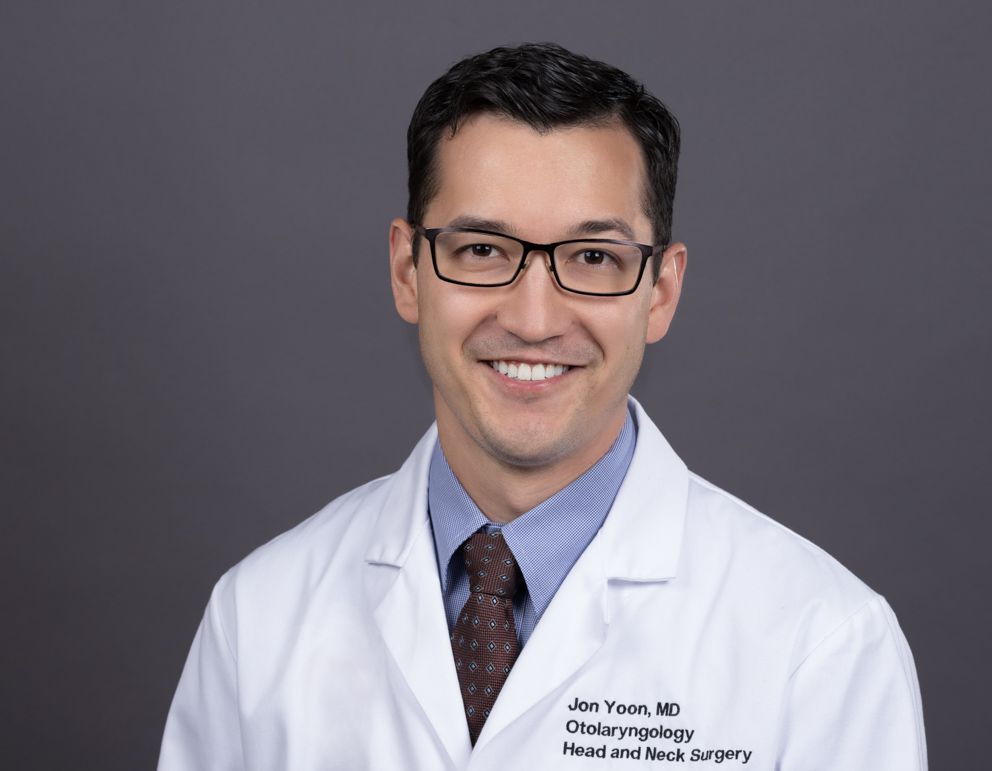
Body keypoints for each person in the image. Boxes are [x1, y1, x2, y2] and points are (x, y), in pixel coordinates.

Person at [158, 43, 926, 770]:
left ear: (661, 292)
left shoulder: (820, 650)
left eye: (593, 257)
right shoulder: (258, 620)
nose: (533, 319)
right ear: (407, 271)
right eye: (482, 249)